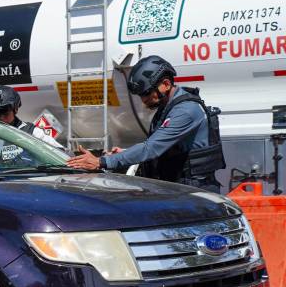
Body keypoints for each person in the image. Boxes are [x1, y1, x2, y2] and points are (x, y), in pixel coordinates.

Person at [67, 56, 224, 192]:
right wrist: (123, 153)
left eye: (147, 93)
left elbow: (151, 148)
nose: (143, 100)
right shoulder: (168, 107)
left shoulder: (185, 111)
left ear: (166, 84)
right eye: (140, 95)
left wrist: (101, 162)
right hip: (180, 186)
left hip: (194, 191)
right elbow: (165, 147)